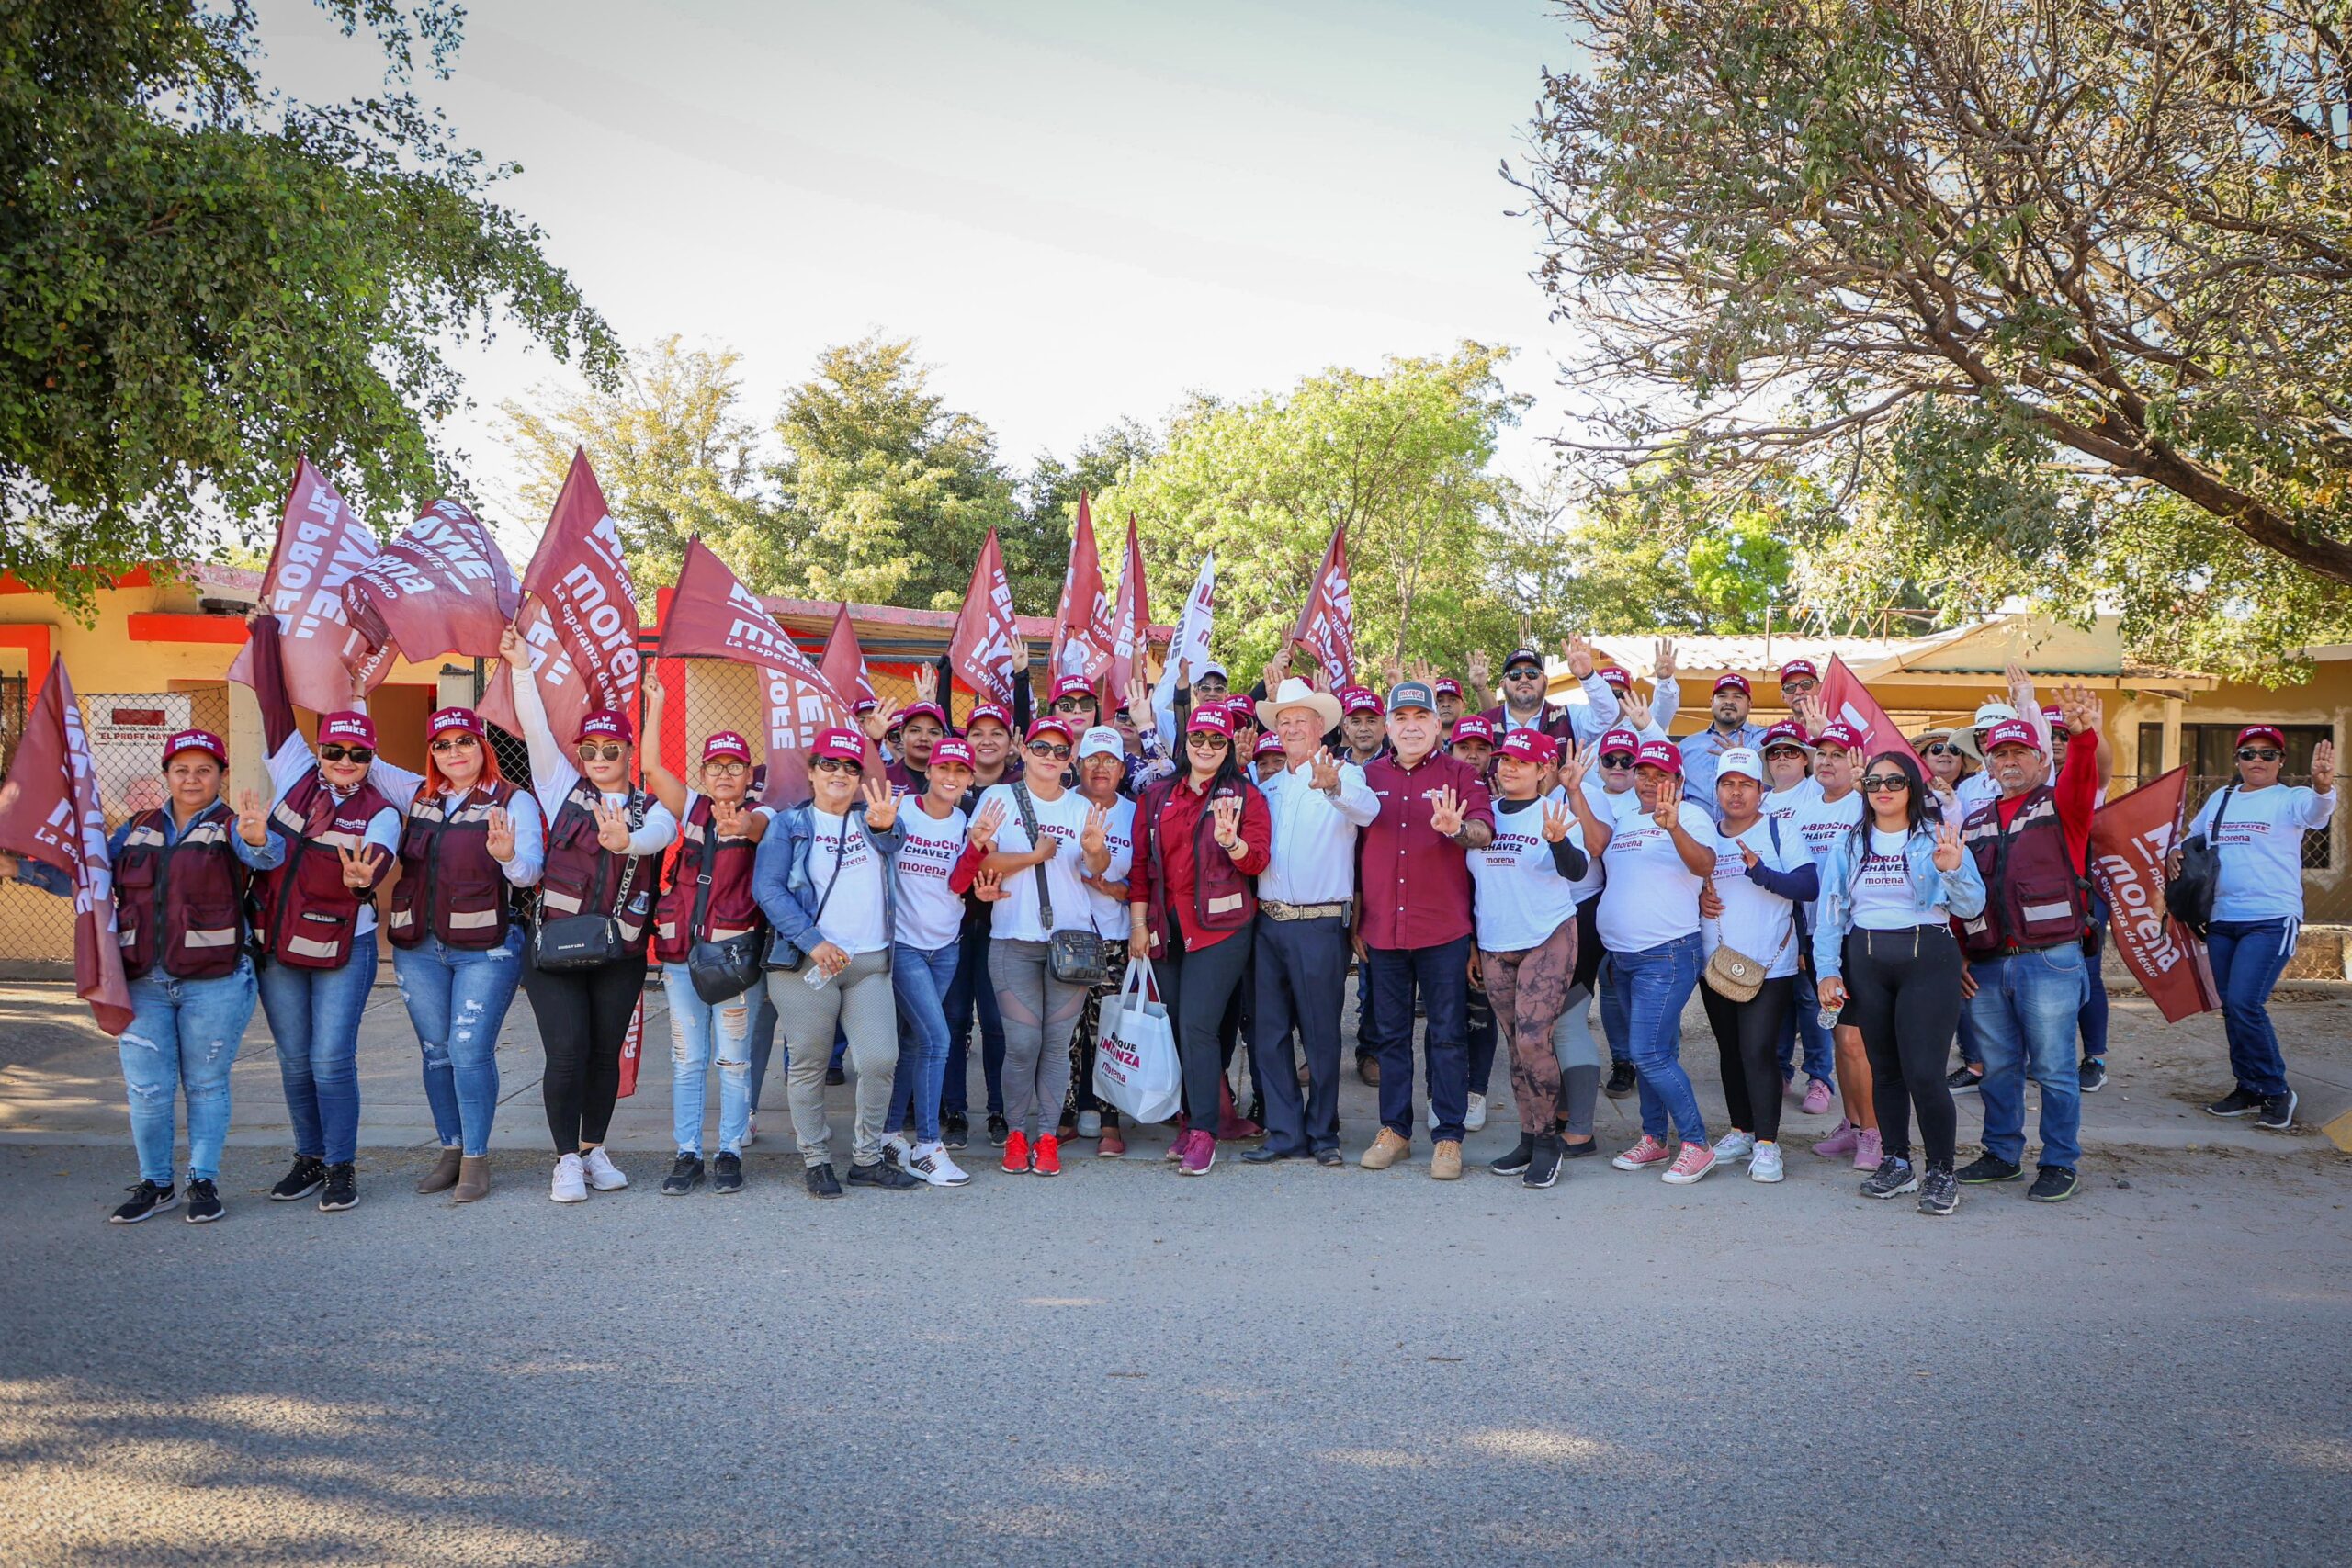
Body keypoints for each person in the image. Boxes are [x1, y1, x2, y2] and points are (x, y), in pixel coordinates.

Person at [1, 728, 274, 1223]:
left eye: (204, 770)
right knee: (147, 1088)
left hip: (215, 982)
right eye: (182, 770)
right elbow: (88, 880)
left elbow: (263, 856)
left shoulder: (233, 826)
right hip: (142, 980)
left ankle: (202, 1181)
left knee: (207, 1084)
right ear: (166, 775)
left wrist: (258, 839)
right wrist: (21, 869)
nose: (192, 779)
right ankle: (156, 1183)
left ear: (220, 776)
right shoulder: (133, 829)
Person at [501, 626, 678, 1204]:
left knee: (605, 1053)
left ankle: (594, 1147)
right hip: (554, 948)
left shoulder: (653, 810)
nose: (600, 759)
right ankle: (564, 1161)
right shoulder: (558, 787)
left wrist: (624, 839)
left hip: (619, 952)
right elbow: (533, 727)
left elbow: (655, 838)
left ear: (629, 754)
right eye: (591, 751)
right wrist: (522, 668)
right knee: (568, 1050)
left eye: (612, 751)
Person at [245, 613, 409, 1214]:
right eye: (334, 749)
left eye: (356, 752)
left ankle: (341, 1165)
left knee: (329, 1057)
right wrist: (263, 632)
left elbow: (384, 854)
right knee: (293, 1059)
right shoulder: (291, 773)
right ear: (320, 749)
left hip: (346, 947)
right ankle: (307, 1157)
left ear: (371, 758)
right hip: (279, 945)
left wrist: (366, 877)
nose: (343, 759)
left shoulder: (381, 808)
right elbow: (272, 704)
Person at [752, 728, 922, 1198]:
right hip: (807, 966)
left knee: (879, 1058)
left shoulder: (873, 818)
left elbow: (894, 843)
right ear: (811, 772)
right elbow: (767, 889)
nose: (841, 774)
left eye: (851, 766)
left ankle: (866, 1158)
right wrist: (813, 940)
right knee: (808, 1063)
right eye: (829, 764)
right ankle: (816, 1158)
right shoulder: (789, 825)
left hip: (868, 961)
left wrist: (886, 826)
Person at [1815, 751, 1984, 1215]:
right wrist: (1827, 970)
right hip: (1866, 961)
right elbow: (1830, 916)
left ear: (1912, 786)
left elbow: (1972, 909)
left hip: (1926, 958)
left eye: (1893, 780)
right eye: (1873, 782)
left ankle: (1942, 1172)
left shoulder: (1937, 838)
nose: (1883, 789)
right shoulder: (1848, 845)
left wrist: (1952, 869)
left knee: (1924, 1073)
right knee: (1884, 1071)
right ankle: (1896, 1160)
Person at [386, 705, 542, 1205]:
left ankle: (476, 1156)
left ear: (483, 747)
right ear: (431, 753)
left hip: (486, 947)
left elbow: (530, 874)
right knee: (435, 1052)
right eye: (443, 744)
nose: (455, 752)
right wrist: (355, 689)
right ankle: (450, 1151)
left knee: (468, 1050)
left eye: (465, 742)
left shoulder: (513, 802)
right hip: (419, 948)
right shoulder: (416, 794)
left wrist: (506, 857)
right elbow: (353, 750)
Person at [1951, 699, 2106, 1203]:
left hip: (2051, 960)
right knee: (1997, 1066)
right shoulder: (1973, 820)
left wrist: (2083, 739)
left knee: (2056, 1069)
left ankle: (2060, 1161)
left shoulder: (2064, 806)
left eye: (2020, 751)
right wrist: (1960, 954)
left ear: (2042, 760)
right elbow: (1960, 892)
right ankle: (2001, 1153)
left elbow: (2083, 776)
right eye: (2000, 754)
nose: (2009, 761)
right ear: (1988, 764)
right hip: (1989, 964)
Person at [1355, 680, 1495, 1179]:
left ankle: (1449, 1137)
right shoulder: (1366, 777)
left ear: (1439, 725)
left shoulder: (1462, 774)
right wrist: (1356, 917)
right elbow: (1351, 852)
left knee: (1448, 1036)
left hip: (1443, 930)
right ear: (1388, 727)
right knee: (1390, 1035)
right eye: (1402, 718)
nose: (1411, 726)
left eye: (1421, 717)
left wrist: (1455, 829)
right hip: (1383, 930)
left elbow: (1483, 832)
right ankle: (1394, 1129)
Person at [1127, 705, 1271, 1175]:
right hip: (1166, 928)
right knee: (1174, 1028)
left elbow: (1257, 862)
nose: (1205, 748)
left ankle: (1205, 1129)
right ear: (1184, 742)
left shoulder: (1245, 796)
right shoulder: (1156, 795)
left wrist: (1233, 842)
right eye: (1198, 739)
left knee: (1197, 1026)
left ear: (1228, 747)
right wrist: (1139, 924)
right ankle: (1191, 1121)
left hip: (1222, 929)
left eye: (1216, 741)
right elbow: (1142, 869)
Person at [639, 682, 768, 1197]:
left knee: (733, 1061)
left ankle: (730, 1151)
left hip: (733, 960)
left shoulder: (764, 814)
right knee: (687, 1059)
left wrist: (745, 823)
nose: (724, 774)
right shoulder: (691, 807)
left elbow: (758, 828)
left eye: (734, 766)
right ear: (702, 772)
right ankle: (688, 1151)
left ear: (749, 774)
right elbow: (650, 768)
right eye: (715, 765)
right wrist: (657, 704)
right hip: (682, 959)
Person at [1242, 679, 1375, 1168]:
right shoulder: (1268, 785)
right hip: (1269, 923)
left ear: (1321, 727)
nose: (1293, 728)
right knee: (1269, 1032)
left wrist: (1335, 788)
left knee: (1320, 1034)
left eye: (1302, 720)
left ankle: (1323, 1133)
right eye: (1285, 721)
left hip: (1319, 924)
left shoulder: (1345, 773)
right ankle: (1283, 1132)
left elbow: (1369, 811)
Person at [1581, 739, 1719, 1184]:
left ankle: (1697, 1144)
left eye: (1661, 775)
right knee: (1656, 1054)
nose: (1649, 781)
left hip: (1667, 954)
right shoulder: (1623, 818)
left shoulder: (1692, 815)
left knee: (1649, 1053)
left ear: (1677, 780)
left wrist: (1674, 827)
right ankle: (1655, 1138)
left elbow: (1705, 864)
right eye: (1643, 773)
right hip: (1622, 956)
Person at [977, 716, 1110, 1177]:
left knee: (1056, 1046)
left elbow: (1097, 863)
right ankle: (1016, 1133)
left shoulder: (1081, 807)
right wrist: (1033, 856)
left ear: (1069, 758)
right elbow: (981, 859)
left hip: (1069, 946)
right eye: (1041, 747)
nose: (1050, 757)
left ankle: (1048, 1136)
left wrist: (1095, 848)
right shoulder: (998, 798)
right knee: (1022, 1044)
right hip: (1012, 939)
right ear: (1024, 750)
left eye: (1059, 750)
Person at [2188, 725, 2336, 1132]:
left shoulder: (2292, 799)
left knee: (2244, 1003)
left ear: (2281, 762)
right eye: (2249, 753)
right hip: (2221, 918)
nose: (2257, 760)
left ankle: (2276, 1089)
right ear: (2236, 761)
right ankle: (2248, 1086)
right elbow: (2193, 838)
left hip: (2271, 918)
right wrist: (2174, 856)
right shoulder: (2222, 798)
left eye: (2268, 754)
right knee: (2231, 1007)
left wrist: (2323, 786)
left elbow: (2318, 814)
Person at [1467, 729, 1595, 1189]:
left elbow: (1577, 870)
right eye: (1504, 760)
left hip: (1547, 935)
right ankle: (1527, 1136)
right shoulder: (1484, 813)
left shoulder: (1554, 810)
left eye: (1521, 762)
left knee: (1533, 1041)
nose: (1509, 768)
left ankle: (1548, 1143)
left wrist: (1559, 840)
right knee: (1514, 1045)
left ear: (1543, 770)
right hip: (1496, 941)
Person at [1696, 748, 1816, 1185]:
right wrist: (1697, 898)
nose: (1736, 792)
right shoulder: (1706, 835)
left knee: (1758, 1052)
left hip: (1770, 965)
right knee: (1729, 1052)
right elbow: (1684, 884)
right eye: (1728, 784)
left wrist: (1762, 873)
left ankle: (1768, 1143)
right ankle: (1741, 1130)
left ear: (1761, 792)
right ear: (1717, 791)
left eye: (1745, 784)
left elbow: (1808, 884)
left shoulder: (1781, 830)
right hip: (1715, 962)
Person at [882, 736, 991, 1188]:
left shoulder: (965, 821)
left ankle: (889, 1134)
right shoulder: (902, 810)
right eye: (944, 768)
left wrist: (978, 850)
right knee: (937, 1039)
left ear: (968, 780)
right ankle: (927, 1146)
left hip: (945, 946)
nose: (951, 777)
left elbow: (956, 884)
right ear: (929, 770)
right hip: (905, 945)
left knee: (914, 1042)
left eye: (960, 772)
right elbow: (879, 851)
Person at [1788, 714, 1878, 1170]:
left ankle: (1874, 1133)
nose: (1826, 761)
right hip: (1816, 934)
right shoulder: (1805, 808)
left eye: (1838, 755)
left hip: (1858, 934)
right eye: (1820, 753)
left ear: (1858, 762)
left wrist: (1867, 792)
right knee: (1837, 1033)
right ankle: (1852, 1122)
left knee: (1855, 1042)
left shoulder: (1869, 805)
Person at [942, 699, 1020, 1147]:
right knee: (953, 1019)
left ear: (1012, 744)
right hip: (954, 925)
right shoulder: (953, 794)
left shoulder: (1020, 790)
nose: (986, 740)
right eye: (977, 733)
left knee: (995, 1020)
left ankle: (998, 1112)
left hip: (1000, 922)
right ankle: (954, 1111)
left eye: (997, 733)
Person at [1062, 726, 1137, 1156]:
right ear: (1079, 764)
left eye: (1110, 760)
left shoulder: (1134, 811)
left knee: (1109, 1033)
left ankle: (1111, 1121)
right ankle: (1065, 1115)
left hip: (1114, 936)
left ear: (1123, 767)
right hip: (1068, 937)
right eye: (1093, 760)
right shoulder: (1064, 807)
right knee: (1066, 1034)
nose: (1101, 768)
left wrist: (1117, 889)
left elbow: (1144, 874)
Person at [1758, 721, 1835, 1113]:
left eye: (1791, 751)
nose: (1783, 757)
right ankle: (1782, 1070)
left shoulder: (1817, 792)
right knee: (1782, 997)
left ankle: (1821, 1078)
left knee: (1813, 1000)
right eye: (1774, 752)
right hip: (1778, 917)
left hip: (1819, 917)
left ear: (1806, 759)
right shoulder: (1761, 801)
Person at [1473, 639, 1621, 749]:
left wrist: (1588, 676)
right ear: (1503, 684)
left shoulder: (1568, 717)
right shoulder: (1484, 723)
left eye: (1532, 673)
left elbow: (1607, 714)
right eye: (1515, 674)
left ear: (1545, 681)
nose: (1524, 679)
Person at [1679, 673, 1769, 814]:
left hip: (1749, 832)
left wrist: (1742, 757)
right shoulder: (1687, 746)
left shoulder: (1765, 738)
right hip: (1695, 832)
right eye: (1722, 696)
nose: (1729, 701)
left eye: (1737, 697)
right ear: (1711, 702)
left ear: (1750, 704)